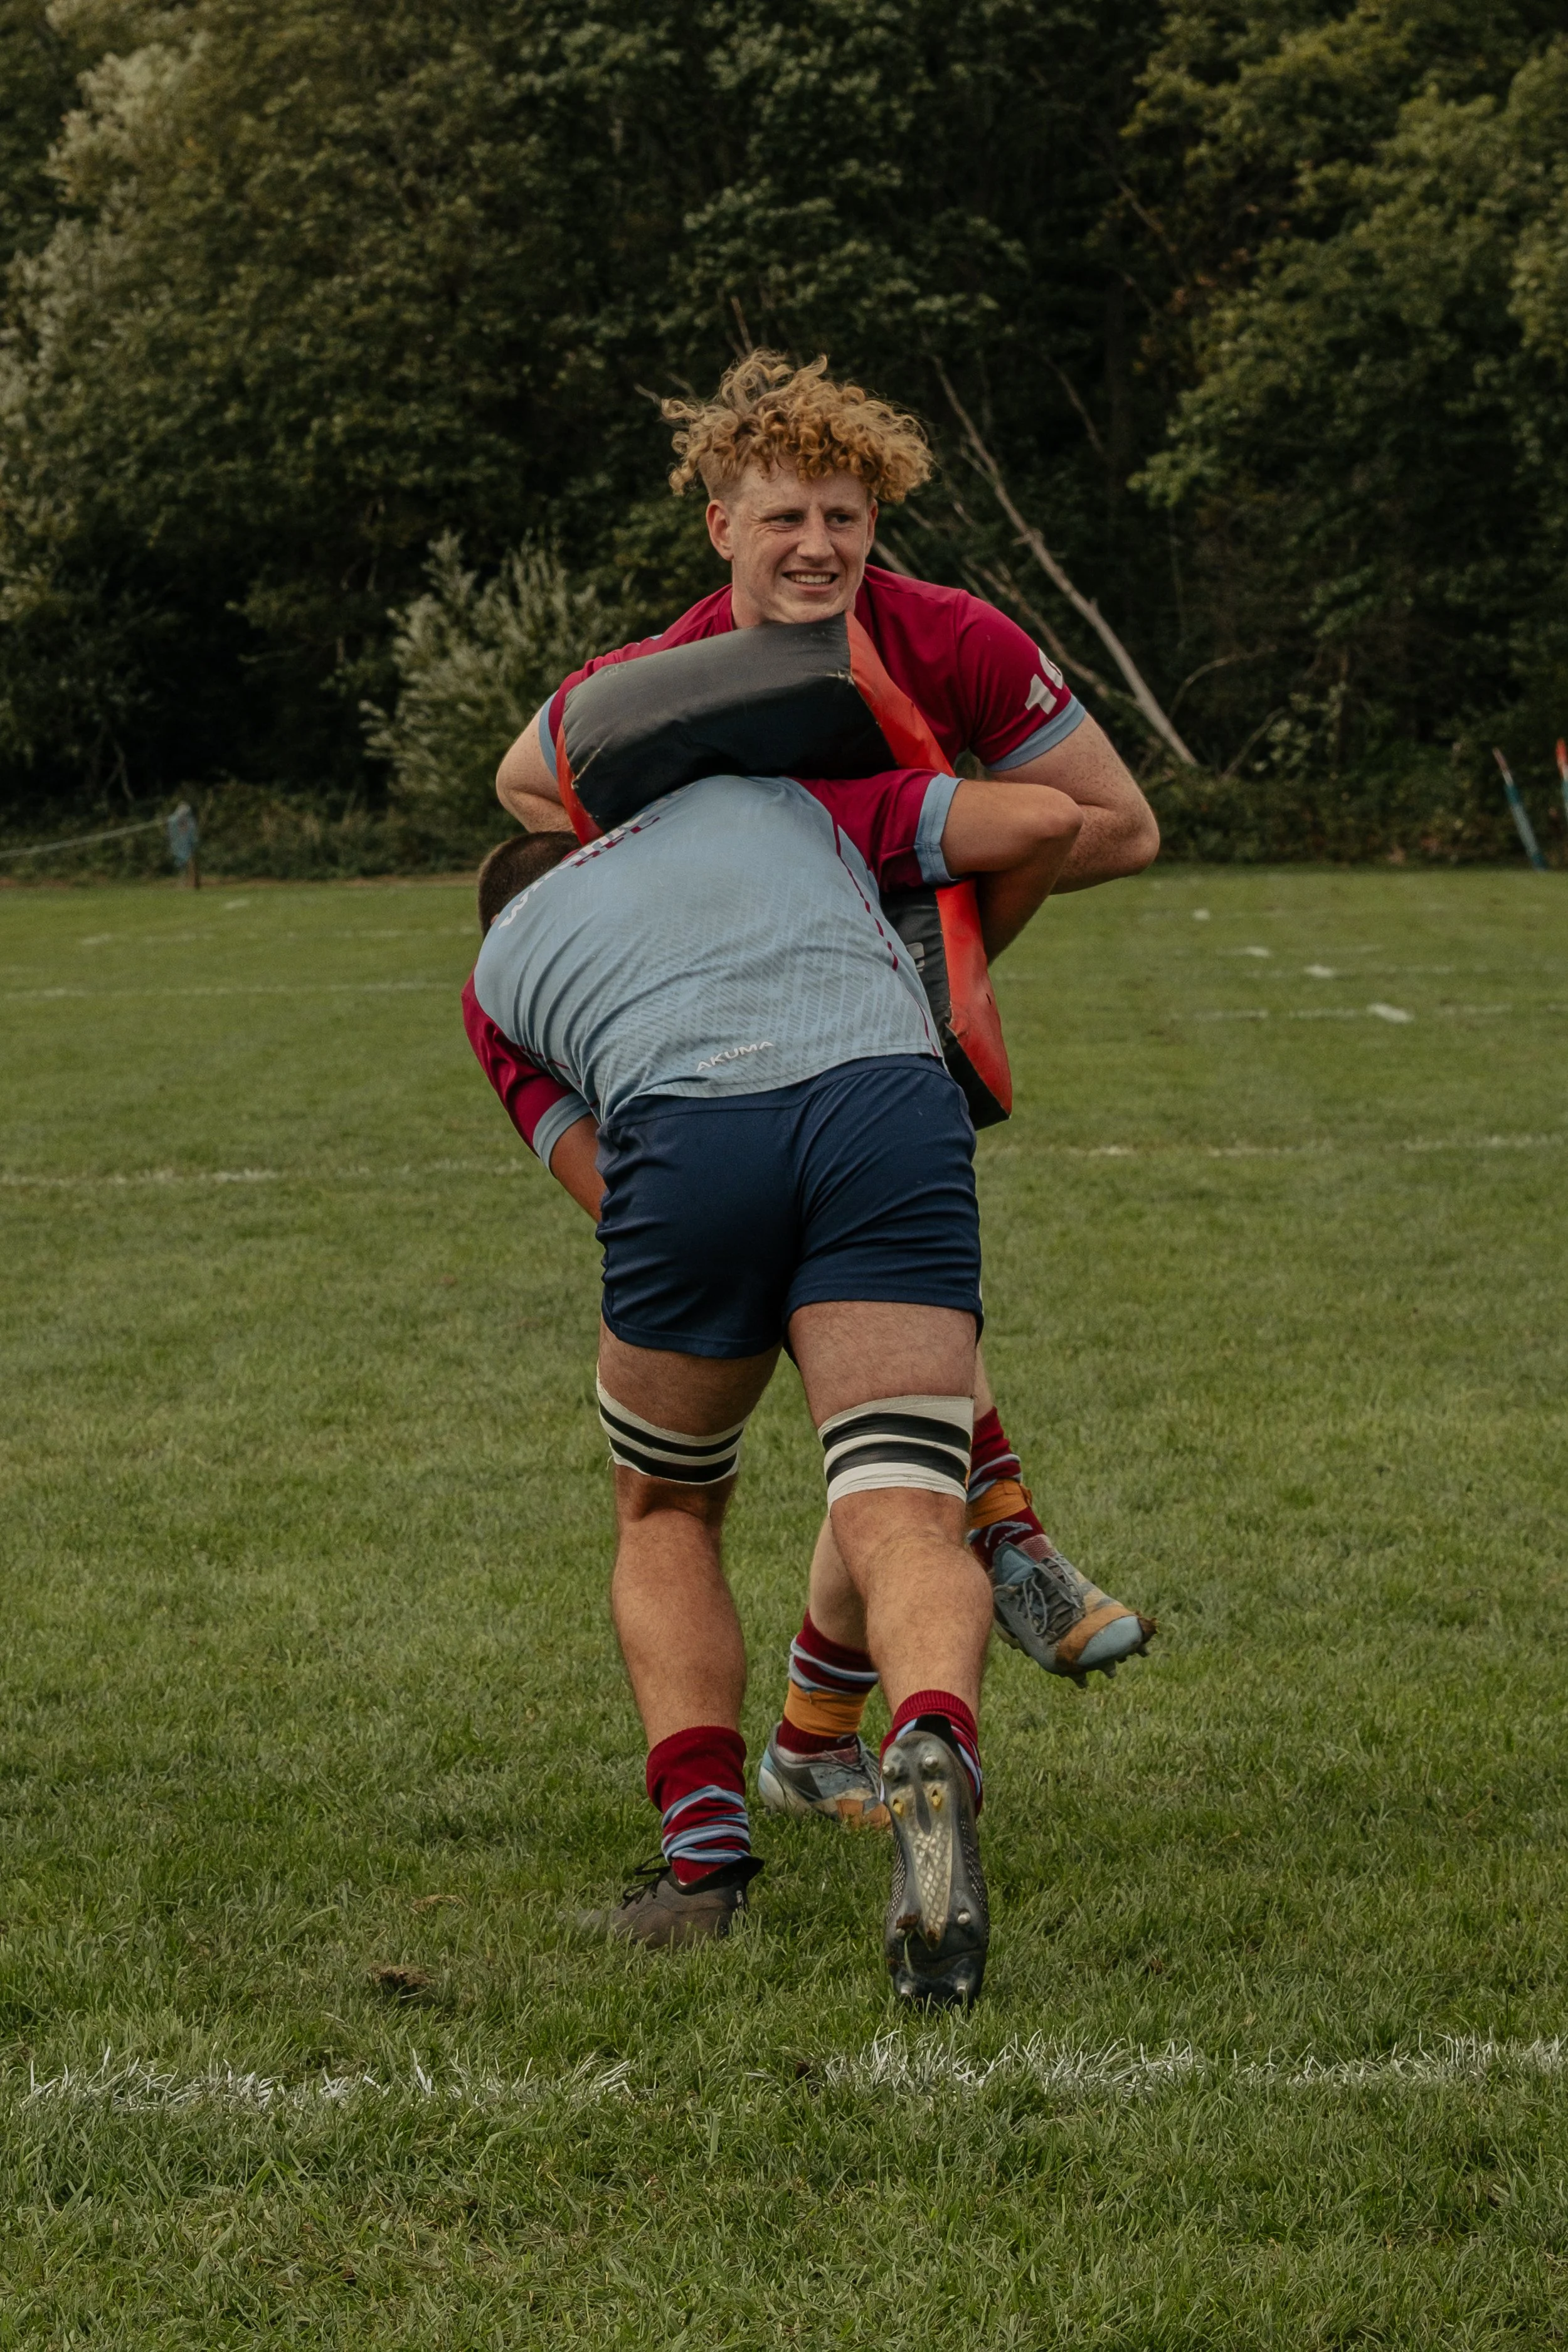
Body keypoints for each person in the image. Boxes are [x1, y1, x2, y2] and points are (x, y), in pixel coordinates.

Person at [493, 352, 1160, 1823]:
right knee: (887, 1405)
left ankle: (848, 1691)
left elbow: (1108, 825)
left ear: (880, 523)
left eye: (845, 517)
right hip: (721, 1068)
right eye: (783, 515)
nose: (816, 546)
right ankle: (967, 1569)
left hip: (888, 1033)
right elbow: (524, 788)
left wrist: (919, 939)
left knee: (860, 1407)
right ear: (718, 527)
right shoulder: (654, 683)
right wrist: (708, 894)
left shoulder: (949, 635)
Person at [465, 750, 1083, 2004]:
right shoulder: (775, 796)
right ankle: (927, 1746)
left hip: (686, 1144)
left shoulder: (495, 981)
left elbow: (606, 1189)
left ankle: (700, 1871)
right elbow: (1046, 819)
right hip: (885, 1108)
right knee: (902, 1508)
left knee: (668, 1508)